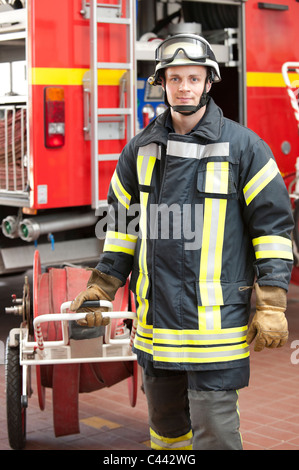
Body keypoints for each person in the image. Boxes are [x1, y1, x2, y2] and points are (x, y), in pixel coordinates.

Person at [70, 34, 294, 450]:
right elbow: (121, 227)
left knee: (216, 436)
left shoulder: (245, 148)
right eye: (175, 79)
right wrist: (102, 285)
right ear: (163, 83)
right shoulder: (138, 151)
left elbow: (273, 231)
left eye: (194, 78)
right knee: (167, 436)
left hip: (215, 329)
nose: (185, 87)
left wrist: (272, 302)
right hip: (156, 329)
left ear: (209, 83)